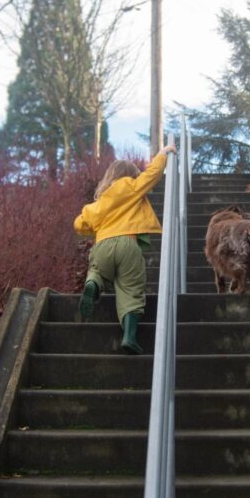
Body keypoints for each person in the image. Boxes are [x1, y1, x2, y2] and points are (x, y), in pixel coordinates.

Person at [74, 144, 177, 354]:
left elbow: (80, 224)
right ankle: (129, 337)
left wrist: (91, 228)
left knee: (97, 270)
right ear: (130, 175)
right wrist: (162, 154)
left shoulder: (98, 203)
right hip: (128, 244)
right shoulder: (132, 187)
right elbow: (153, 174)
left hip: (103, 244)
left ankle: (93, 284)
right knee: (131, 290)